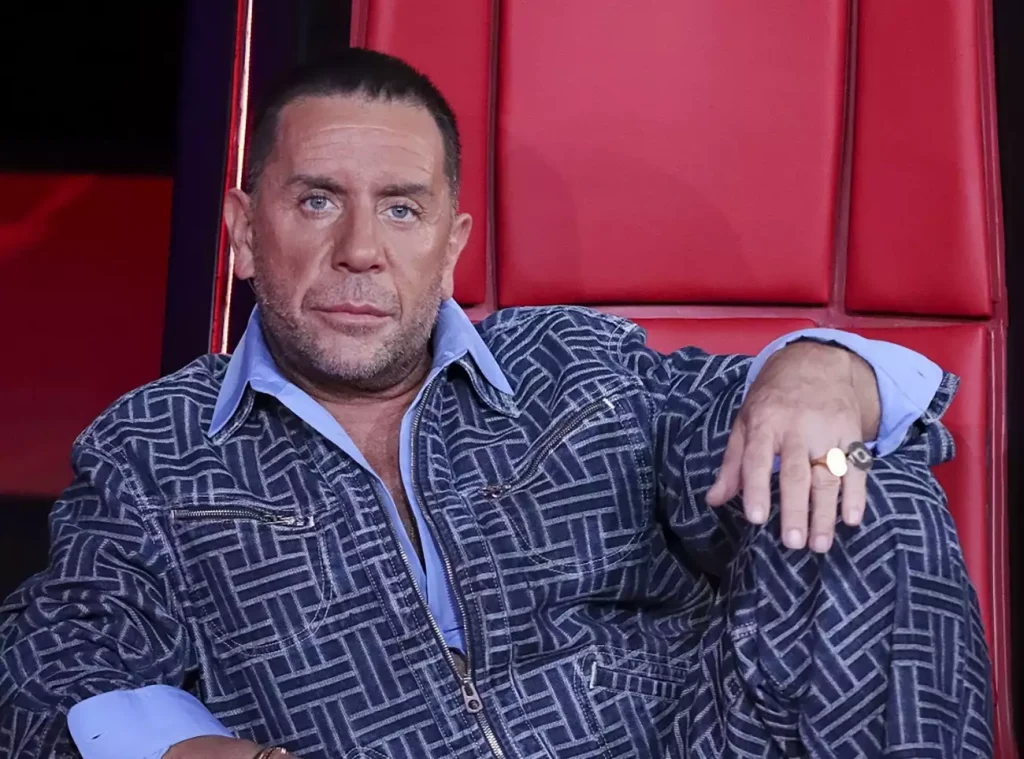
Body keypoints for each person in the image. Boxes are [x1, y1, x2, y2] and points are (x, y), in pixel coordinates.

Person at [0, 48, 991, 759]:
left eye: (401, 208)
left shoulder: (577, 363)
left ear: (451, 244)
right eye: (316, 201)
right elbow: (52, 672)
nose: (360, 250)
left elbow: (753, 425)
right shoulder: (152, 450)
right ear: (245, 234)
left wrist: (823, 369)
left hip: (686, 736)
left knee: (863, 483)